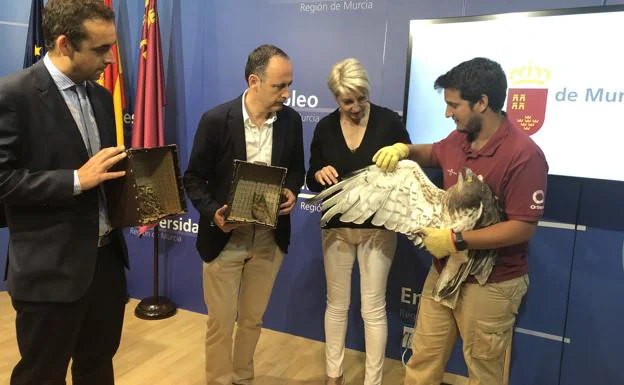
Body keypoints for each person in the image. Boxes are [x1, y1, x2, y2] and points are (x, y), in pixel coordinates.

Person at [374, 57, 548, 385]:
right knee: (423, 358)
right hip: (444, 272)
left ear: (482, 102)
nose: (447, 113)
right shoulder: (459, 139)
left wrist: (457, 241)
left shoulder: (524, 155)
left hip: (492, 283)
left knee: (483, 372)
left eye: (454, 105)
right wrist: (405, 150)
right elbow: (433, 153)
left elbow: (523, 226)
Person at [0, 0, 129, 384]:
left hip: (105, 266)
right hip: (49, 271)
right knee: (42, 374)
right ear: (64, 44)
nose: (110, 59)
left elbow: (104, 178)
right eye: (101, 49)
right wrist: (74, 180)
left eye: (112, 47)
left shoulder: (102, 97)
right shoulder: (13, 95)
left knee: (97, 366)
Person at [183, 44, 305, 385]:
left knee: (252, 320)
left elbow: (297, 170)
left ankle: (243, 378)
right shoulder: (216, 121)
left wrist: (292, 191)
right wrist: (214, 214)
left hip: (269, 238)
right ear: (254, 81)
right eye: (279, 86)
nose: (287, 93)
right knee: (220, 324)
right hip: (225, 239)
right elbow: (192, 179)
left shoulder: (292, 122)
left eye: (289, 84)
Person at [306, 58, 411, 385]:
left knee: (373, 308)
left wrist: (399, 155)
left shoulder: (389, 122)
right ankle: (333, 375)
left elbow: (409, 163)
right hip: (336, 229)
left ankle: (372, 381)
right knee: (336, 305)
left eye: (361, 98)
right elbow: (311, 178)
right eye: (346, 101)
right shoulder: (324, 128)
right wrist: (318, 174)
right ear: (335, 97)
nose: (355, 107)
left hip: (378, 231)